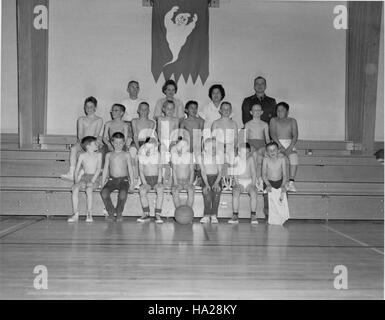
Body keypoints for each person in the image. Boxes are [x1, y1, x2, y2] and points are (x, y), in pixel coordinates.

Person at [61, 96, 103, 181]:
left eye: (91, 106)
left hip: (93, 142)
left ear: (95, 107)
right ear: (84, 107)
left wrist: (90, 146)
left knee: (94, 151)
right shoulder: (81, 119)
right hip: (82, 141)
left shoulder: (99, 120)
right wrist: (83, 144)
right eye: (87, 106)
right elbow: (80, 135)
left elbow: (96, 135)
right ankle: (72, 173)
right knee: (73, 148)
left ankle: (87, 172)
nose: (88, 108)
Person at [100, 132, 135, 222]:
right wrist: (102, 182)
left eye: (120, 143)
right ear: (112, 143)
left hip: (124, 180)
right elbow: (105, 170)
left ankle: (119, 212)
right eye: (116, 143)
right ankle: (111, 212)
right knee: (104, 193)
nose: (118, 145)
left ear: (124, 143)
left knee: (123, 194)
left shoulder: (126, 154)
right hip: (112, 180)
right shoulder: (109, 155)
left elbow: (130, 169)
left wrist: (132, 183)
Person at [67, 136, 102, 223]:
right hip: (85, 177)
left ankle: (89, 213)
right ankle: (75, 213)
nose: (97, 145)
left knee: (89, 189)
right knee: (75, 188)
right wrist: (76, 182)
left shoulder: (99, 155)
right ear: (88, 146)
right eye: (95, 143)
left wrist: (92, 181)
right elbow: (77, 169)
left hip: (95, 177)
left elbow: (98, 169)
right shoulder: (82, 156)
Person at [269, 102, 298, 192]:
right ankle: (282, 182)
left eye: (282, 110)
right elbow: (272, 133)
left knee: (294, 158)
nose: (280, 112)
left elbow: (295, 135)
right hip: (276, 144)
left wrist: (290, 148)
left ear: (287, 111)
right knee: (280, 159)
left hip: (290, 143)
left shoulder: (292, 120)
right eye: (278, 110)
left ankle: (291, 182)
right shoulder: (273, 120)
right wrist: (280, 146)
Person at [228, 143, 258, 225]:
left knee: (253, 193)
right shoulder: (236, 159)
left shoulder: (251, 159)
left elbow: (253, 172)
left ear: (250, 152)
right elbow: (235, 173)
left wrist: (253, 184)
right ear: (239, 152)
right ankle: (235, 215)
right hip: (239, 181)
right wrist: (237, 183)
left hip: (249, 181)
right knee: (235, 193)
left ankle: (253, 215)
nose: (246, 155)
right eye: (243, 153)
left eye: (247, 153)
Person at [136, 139, 165, 224]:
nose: (148, 151)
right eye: (147, 148)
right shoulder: (141, 156)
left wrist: (159, 181)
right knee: (142, 190)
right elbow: (141, 170)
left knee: (160, 189)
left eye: (150, 148)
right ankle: (146, 213)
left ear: (154, 148)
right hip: (146, 179)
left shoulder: (157, 155)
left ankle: (157, 213)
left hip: (156, 178)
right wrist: (144, 182)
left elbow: (160, 168)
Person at [130, 102, 157, 188]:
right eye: (141, 109)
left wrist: (144, 148)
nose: (143, 111)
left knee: (147, 155)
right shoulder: (134, 121)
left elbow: (148, 137)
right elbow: (135, 135)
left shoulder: (152, 123)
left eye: (146, 109)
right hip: (136, 142)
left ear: (149, 111)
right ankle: (135, 178)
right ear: (138, 110)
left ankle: (145, 179)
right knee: (132, 153)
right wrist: (138, 148)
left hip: (146, 143)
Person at [245, 103, 270, 190]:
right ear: (251, 112)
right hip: (251, 144)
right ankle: (254, 179)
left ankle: (259, 178)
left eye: (259, 110)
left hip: (262, 144)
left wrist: (269, 148)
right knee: (254, 154)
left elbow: (267, 139)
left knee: (261, 155)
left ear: (262, 112)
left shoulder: (265, 124)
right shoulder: (248, 124)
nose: (257, 112)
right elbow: (246, 139)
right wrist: (248, 147)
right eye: (255, 110)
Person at [198, 138, 223, 224]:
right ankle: (206, 215)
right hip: (206, 179)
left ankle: (214, 215)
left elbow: (220, 172)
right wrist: (206, 184)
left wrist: (216, 183)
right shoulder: (201, 157)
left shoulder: (218, 157)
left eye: (215, 147)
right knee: (207, 195)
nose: (214, 149)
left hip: (216, 178)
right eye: (212, 147)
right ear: (206, 148)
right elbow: (203, 172)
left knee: (216, 195)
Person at [157, 100, 180, 187]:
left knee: (173, 152)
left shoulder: (176, 119)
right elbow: (159, 131)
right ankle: (163, 177)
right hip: (163, 141)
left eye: (172, 109)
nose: (170, 110)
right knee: (163, 150)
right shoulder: (160, 118)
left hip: (172, 141)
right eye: (168, 108)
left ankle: (172, 177)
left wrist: (173, 143)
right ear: (163, 109)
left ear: (174, 110)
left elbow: (176, 132)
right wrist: (161, 141)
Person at [211, 101, 238, 168]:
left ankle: (231, 175)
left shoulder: (234, 123)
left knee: (233, 154)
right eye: (224, 109)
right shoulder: (216, 123)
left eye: (228, 109)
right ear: (220, 111)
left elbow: (235, 138)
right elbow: (213, 138)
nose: (226, 110)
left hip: (230, 145)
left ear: (231, 111)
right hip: (219, 145)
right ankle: (220, 175)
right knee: (218, 154)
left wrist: (233, 146)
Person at [171, 139, 195, 208]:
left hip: (187, 181)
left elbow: (192, 170)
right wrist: (175, 183)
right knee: (175, 191)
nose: (181, 149)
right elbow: (174, 171)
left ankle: (188, 209)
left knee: (191, 191)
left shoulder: (190, 156)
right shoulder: (174, 156)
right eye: (179, 147)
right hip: (177, 181)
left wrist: (190, 183)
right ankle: (178, 210)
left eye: (183, 147)